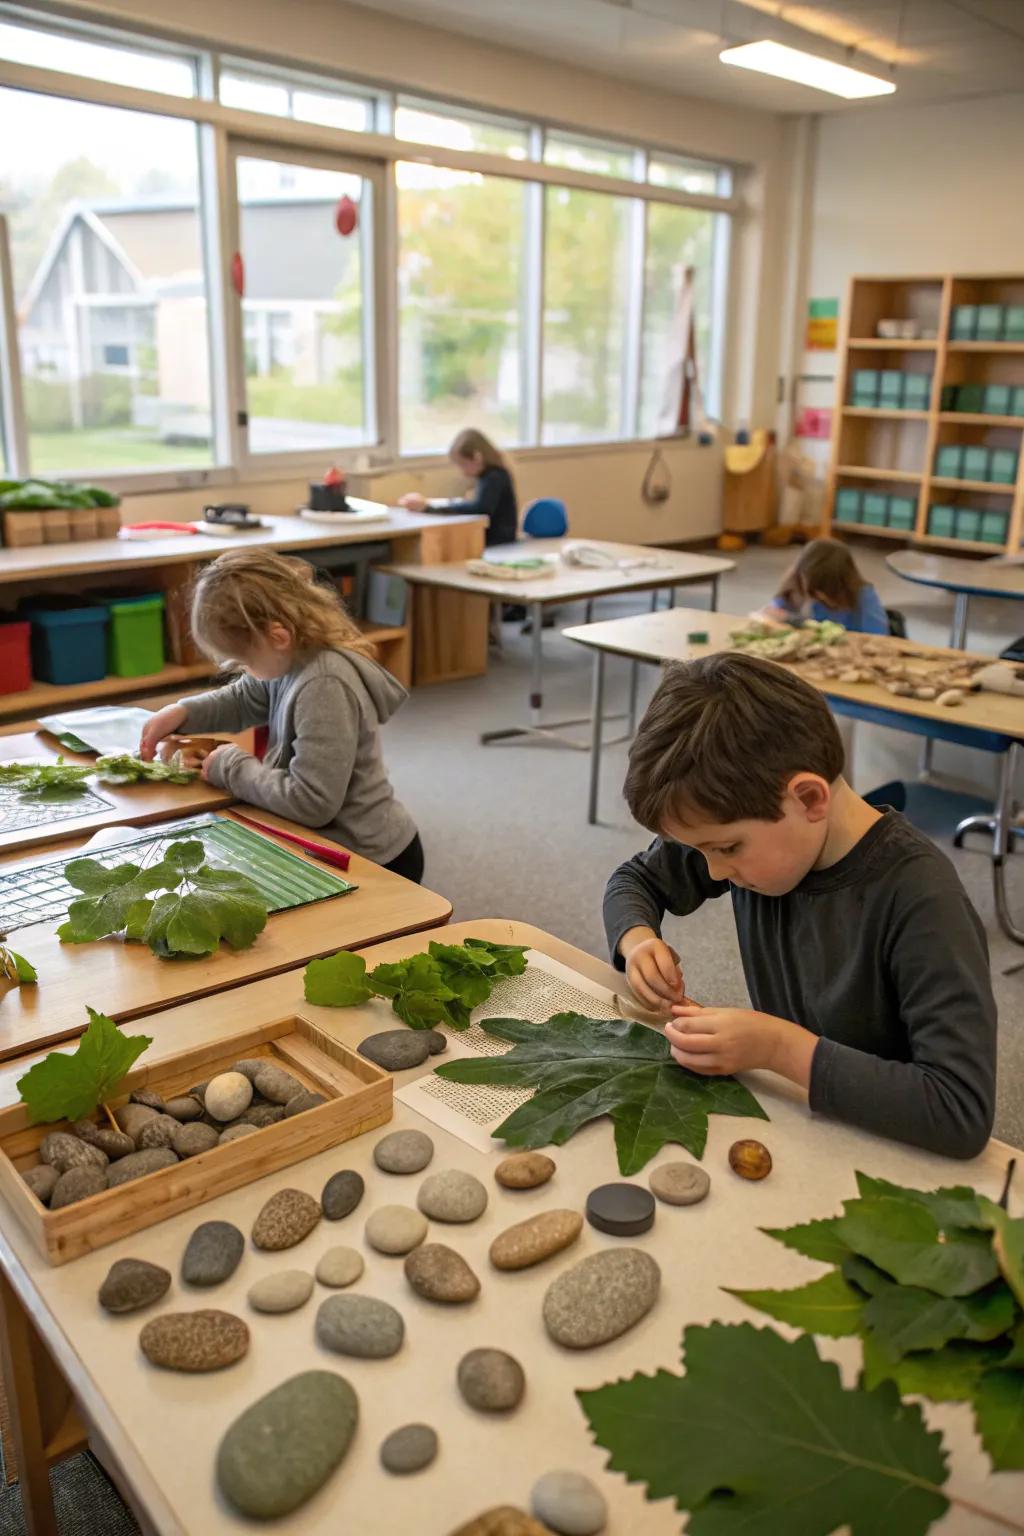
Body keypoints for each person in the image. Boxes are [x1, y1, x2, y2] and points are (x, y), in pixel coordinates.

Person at [603, 652, 996, 1160]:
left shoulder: (923, 899)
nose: (714, 871)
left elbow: (959, 1110)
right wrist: (638, 941)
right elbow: (633, 880)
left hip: (892, 1148)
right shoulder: (751, 824)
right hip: (798, 1115)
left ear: (810, 799)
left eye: (725, 849)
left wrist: (779, 1048)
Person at [139, 550, 424, 882]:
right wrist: (183, 712)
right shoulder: (290, 656)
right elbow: (245, 698)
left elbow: (311, 802)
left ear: (277, 636)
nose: (244, 670)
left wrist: (230, 767)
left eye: (244, 660)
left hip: (370, 861)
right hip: (324, 846)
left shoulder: (324, 685)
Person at [398, 428, 518, 547]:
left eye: (463, 464)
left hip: (498, 541)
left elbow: (481, 508)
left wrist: (429, 507)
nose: (462, 472)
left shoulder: (494, 476)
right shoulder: (488, 476)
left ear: (477, 457)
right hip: (494, 537)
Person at [759, 537, 889, 635]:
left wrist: (795, 621)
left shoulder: (862, 595)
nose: (819, 597)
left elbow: (878, 636)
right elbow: (773, 617)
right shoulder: (794, 586)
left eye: (825, 591)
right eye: (813, 592)